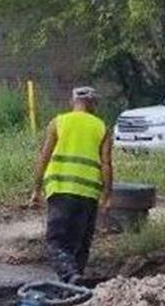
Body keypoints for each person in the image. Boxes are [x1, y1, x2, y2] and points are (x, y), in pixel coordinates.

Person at [30, 86, 113, 282]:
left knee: (56, 242)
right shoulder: (101, 127)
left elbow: (44, 157)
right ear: (93, 104)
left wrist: (36, 189)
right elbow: (107, 164)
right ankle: (75, 286)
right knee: (81, 244)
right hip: (89, 192)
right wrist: (107, 195)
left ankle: (70, 277)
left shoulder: (58, 122)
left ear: (72, 102)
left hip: (60, 190)